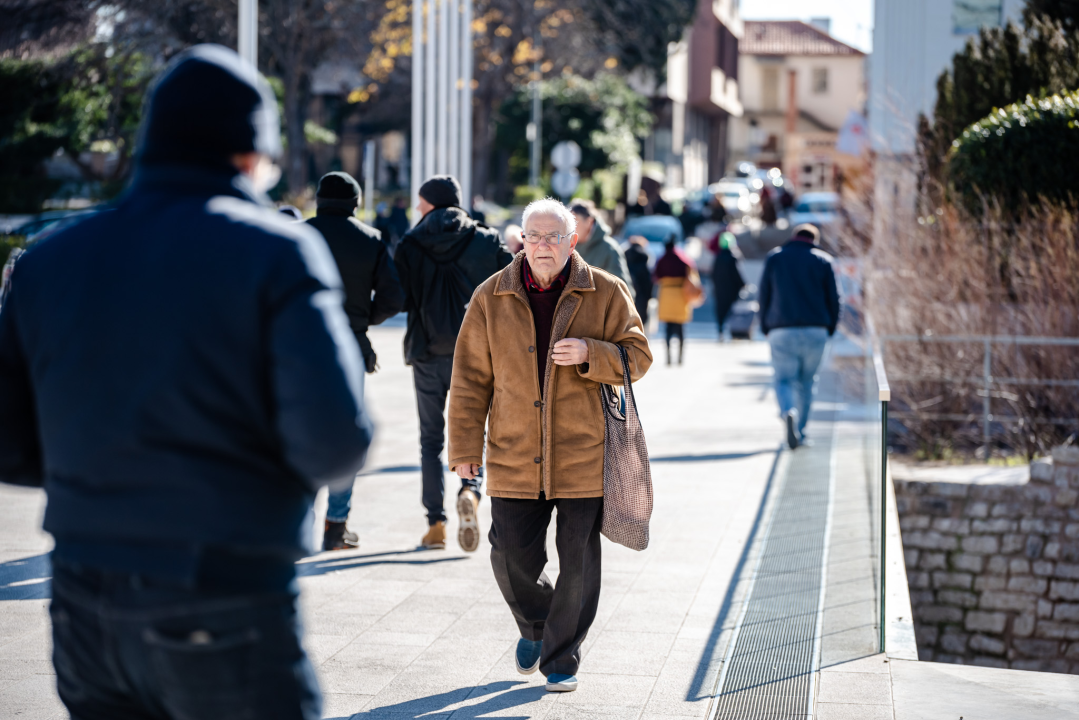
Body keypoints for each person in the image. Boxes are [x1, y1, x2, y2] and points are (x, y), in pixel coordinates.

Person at [0, 45, 372, 720]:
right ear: (247, 153)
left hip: (83, 595)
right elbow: (334, 444)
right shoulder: (275, 253)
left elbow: (9, 444)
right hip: (223, 586)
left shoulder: (48, 261)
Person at [447, 197, 651, 693]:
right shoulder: (490, 296)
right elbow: (470, 381)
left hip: (584, 453)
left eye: (553, 236)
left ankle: (561, 658)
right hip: (514, 452)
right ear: (521, 240)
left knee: (578, 560)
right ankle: (537, 625)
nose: (543, 245)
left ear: (572, 240)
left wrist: (591, 353)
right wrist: (464, 449)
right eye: (534, 236)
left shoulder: (605, 291)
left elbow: (638, 356)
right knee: (509, 556)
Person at [394, 174, 513, 551]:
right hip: (478, 354)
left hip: (427, 352)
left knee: (430, 440)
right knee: (475, 430)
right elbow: (514, 286)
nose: (416, 208)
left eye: (420, 201)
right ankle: (471, 491)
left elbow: (398, 297)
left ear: (432, 202)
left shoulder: (411, 243)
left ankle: (436, 524)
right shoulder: (486, 239)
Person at [307, 171, 405, 550]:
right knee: (341, 435)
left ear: (318, 199)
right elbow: (394, 299)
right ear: (356, 203)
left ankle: (298, 523)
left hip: (298, 346)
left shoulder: (298, 236)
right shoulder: (371, 240)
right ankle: (336, 526)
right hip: (348, 346)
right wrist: (363, 320)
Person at [758, 223, 841, 449]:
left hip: (781, 329)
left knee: (784, 379)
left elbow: (764, 293)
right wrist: (831, 327)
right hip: (817, 329)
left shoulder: (775, 258)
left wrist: (765, 325)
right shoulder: (824, 260)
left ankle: (788, 412)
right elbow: (834, 299)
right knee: (807, 382)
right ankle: (801, 432)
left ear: (794, 237)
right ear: (814, 240)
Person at [567, 199, 633, 292]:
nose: (571, 228)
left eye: (575, 222)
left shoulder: (609, 249)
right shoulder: (565, 246)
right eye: (568, 223)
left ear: (589, 221)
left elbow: (622, 290)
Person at [654, 237, 701, 365]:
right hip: (681, 294)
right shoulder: (683, 258)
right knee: (680, 328)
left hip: (666, 294)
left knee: (668, 328)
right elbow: (692, 272)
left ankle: (668, 357)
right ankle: (680, 357)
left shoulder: (662, 259)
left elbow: (656, 276)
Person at [711, 231, 745, 340]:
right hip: (731, 289)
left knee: (720, 311)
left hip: (719, 288)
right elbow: (736, 273)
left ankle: (720, 331)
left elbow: (713, 273)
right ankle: (732, 331)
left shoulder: (718, 257)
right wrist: (742, 285)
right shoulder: (733, 257)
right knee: (732, 311)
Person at [624, 235, 653, 325]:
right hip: (642, 294)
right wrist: (649, 296)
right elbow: (648, 280)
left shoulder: (624, 256)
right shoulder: (644, 257)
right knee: (640, 320)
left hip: (627, 292)